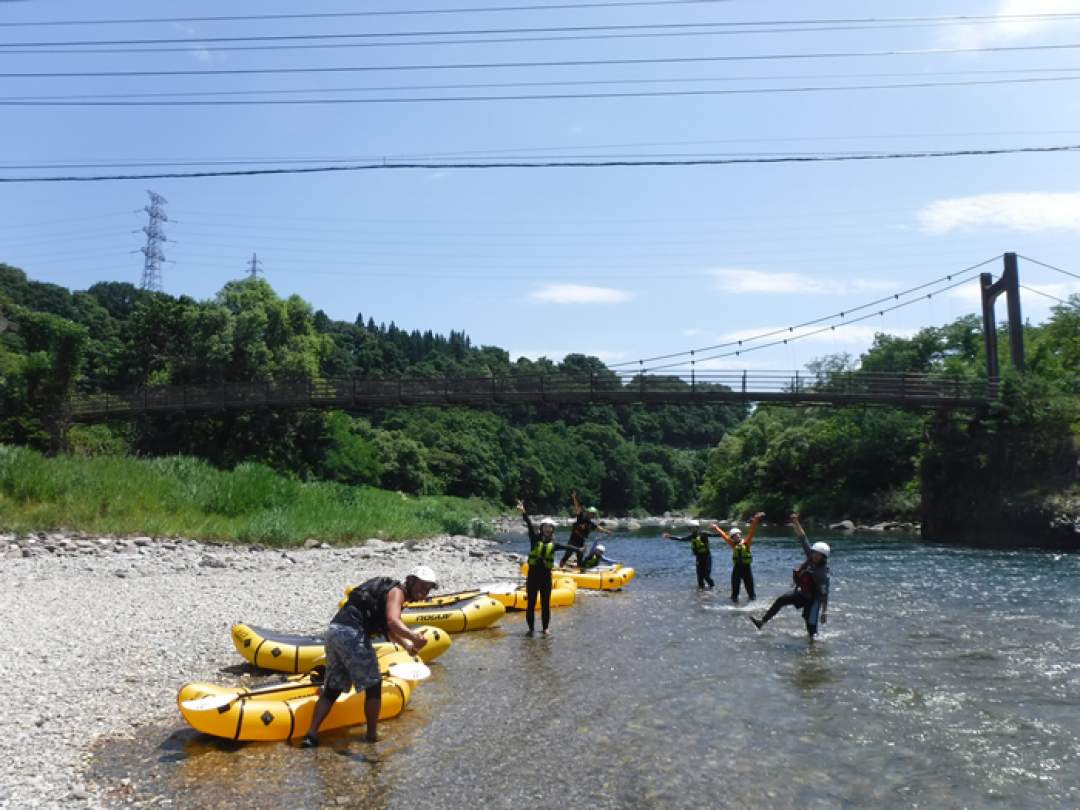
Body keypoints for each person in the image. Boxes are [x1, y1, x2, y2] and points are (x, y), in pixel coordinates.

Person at [300, 566, 436, 747]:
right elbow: (393, 621)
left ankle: (311, 735)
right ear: (409, 581)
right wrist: (414, 637)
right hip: (352, 634)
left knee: (333, 687)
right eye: (421, 585)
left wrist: (407, 646)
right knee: (374, 684)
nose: (424, 591)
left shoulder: (387, 593)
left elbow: (387, 627)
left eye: (428, 588)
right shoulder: (397, 592)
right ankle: (372, 736)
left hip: (334, 631)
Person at [750, 514, 830, 638]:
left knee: (811, 628)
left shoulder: (822, 573)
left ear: (823, 557)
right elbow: (803, 538)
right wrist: (795, 522)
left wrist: (824, 611)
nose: (814, 555)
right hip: (803, 593)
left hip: (814, 599)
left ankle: (814, 649)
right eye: (814, 553)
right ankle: (761, 622)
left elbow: (824, 593)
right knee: (781, 600)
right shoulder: (811, 556)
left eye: (818, 555)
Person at [517, 499, 576, 636]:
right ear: (542, 528)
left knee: (545, 605)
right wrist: (524, 512)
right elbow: (530, 525)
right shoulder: (534, 539)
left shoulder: (554, 545)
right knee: (530, 604)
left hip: (545, 578)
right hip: (532, 577)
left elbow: (567, 547)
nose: (548, 529)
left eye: (550, 527)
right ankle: (531, 630)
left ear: (552, 530)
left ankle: (545, 629)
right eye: (546, 526)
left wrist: (579, 549)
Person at [711, 512, 765, 603]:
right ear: (732, 537)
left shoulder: (747, 543)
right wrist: (716, 528)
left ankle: (753, 606)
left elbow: (752, 531)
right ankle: (734, 607)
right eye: (735, 535)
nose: (737, 536)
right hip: (737, 569)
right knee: (735, 592)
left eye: (738, 534)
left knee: (751, 592)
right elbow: (724, 535)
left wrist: (756, 519)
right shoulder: (732, 544)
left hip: (747, 569)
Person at [559, 489, 612, 567]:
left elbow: (599, 528)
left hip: (581, 542)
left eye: (593, 514)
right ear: (587, 513)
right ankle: (560, 567)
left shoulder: (591, 524)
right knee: (568, 554)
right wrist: (574, 498)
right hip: (573, 540)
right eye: (591, 513)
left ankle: (579, 570)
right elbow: (577, 508)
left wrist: (607, 531)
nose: (592, 515)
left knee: (580, 557)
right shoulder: (581, 518)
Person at [662, 519, 718, 589]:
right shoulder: (692, 536)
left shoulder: (703, 533)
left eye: (692, 527)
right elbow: (681, 539)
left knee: (705, 575)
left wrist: (717, 529)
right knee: (699, 575)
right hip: (699, 557)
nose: (691, 529)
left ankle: (713, 587)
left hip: (706, 557)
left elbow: (716, 535)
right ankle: (701, 591)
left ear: (697, 527)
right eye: (690, 528)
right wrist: (670, 537)